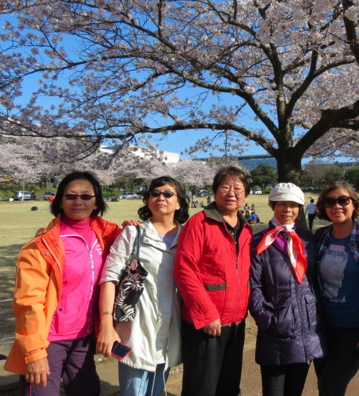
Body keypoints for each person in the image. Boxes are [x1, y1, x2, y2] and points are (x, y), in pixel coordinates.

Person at [4, 171, 121, 395]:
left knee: (88, 390)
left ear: (96, 202)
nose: (78, 202)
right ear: (60, 201)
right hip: (49, 340)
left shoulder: (107, 236)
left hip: (84, 338)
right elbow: (28, 302)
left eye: (86, 196)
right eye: (71, 196)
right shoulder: (41, 246)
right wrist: (35, 353)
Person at [97, 176, 190, 395]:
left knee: (157, 388)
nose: (161, 198)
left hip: (171, 326)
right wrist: (106, 324)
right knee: (134, 389)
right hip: (136, 326)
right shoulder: (133, 233)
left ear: (179, 203)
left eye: (168, 194)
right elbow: (109, 278)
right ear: (147, 200)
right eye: (155, 193)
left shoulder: (188, 236)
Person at [174, 165, 253, 396]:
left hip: (235, 322)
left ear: (245, 196)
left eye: (238, 189)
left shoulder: (246, 229)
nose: (231, 193)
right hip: (206, 322)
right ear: (215, 191)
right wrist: (206, 314)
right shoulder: (199, 223)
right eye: (225, 187)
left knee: (228, 385)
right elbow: (184, 269)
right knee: (202, 387)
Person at [249, 183, 325, 396]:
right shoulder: (260, 242)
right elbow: (253, 284)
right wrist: (266, 318)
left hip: (306, 330)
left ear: (299, 208)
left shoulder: (308, 239)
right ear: (273, 205)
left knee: (295, 391)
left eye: (293, 205)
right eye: (282, 204)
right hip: (275, 330)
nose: (287, 210)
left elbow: (315, 280)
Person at [313, 181, 359, 395]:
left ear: (354, 204)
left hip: (354, 329)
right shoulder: (321, 237)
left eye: (343, 200)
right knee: (324, 384)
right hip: (323, 327)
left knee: (330, 387)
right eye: (330, 202)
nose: (337, 206)